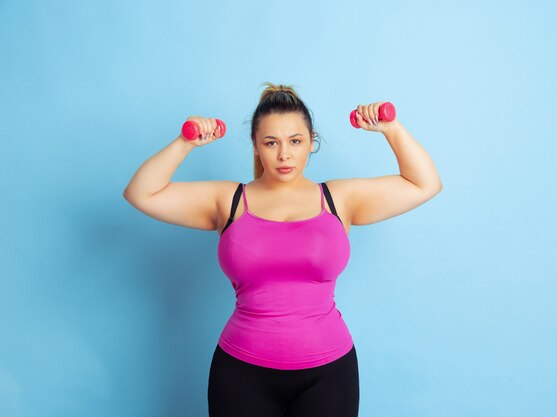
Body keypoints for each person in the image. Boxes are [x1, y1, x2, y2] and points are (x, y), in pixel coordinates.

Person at [123, 82, 443, 417]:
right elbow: (141, 193)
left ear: (311, 143)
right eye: (271, 142)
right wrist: (184, 144)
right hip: (241, 373)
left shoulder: (339, 199)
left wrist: (391, 129)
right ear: (256, 146)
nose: (284, 154)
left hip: (329, 373)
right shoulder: (228, 201)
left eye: (295, 141)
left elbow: (425, 183)